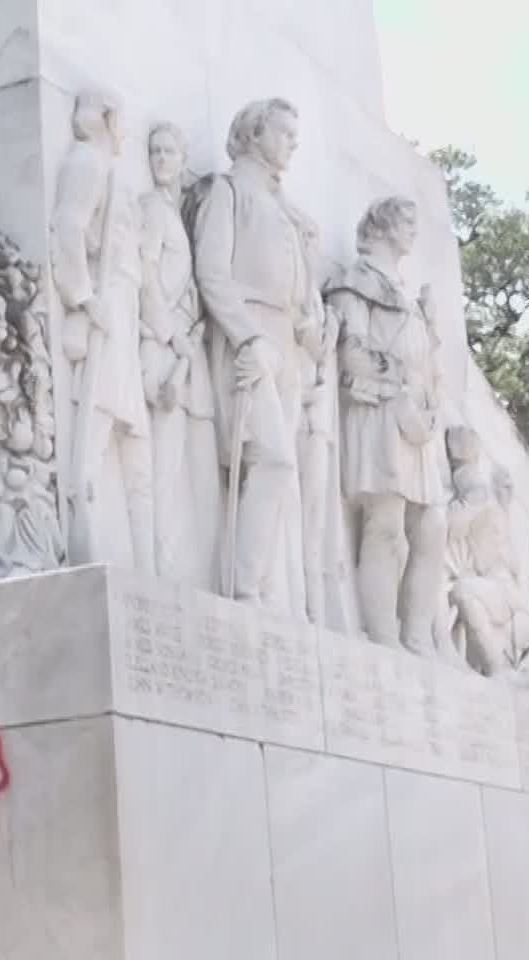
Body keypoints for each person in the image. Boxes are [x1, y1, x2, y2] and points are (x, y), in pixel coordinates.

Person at [192, 98, 324, 612]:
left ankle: (261, 585)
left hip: (286, 342)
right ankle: (243, 588)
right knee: (271, 456)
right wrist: (247, 338)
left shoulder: (282, 207)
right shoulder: (229, 192)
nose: (293, 141)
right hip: (248, 337)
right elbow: (212, 273)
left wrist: (307, 325)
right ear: (253, 133)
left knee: (277, 467)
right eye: (284, 132)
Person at [328, 196, 451, 653]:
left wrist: (430, 404)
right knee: (386, 523)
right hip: (377, 411)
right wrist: (399, 388)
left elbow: (429, 362)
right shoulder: (354, 281)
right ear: (382, 226)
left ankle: (417, 633)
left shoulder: (408, 295)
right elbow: (352, 351)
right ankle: (383, 634)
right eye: (406, 221)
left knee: (433, 526)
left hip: (417, 420)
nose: (413, 230)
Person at [53, 88, 153, 571]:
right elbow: (68, 227)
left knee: (124, 423)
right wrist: (83, 295)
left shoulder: (105, 169)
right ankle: (82, 530)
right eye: (122, 120)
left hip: (125, 299)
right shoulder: (88, 163)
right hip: (108, 294)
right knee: (97, 416)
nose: (127, 131)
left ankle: (139, 557)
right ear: (109, 119)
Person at [136, 120, 218, 588]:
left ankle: (185, 569)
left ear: (184, 158)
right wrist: (173, 335)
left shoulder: (173, 214)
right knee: (163, 467)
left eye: (170, 151)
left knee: (188, 466)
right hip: (161, 349)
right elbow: (144, 275)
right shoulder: (150, 208)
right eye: (155, 151)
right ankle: (162, 568)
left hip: (184, 352)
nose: (162, 159)